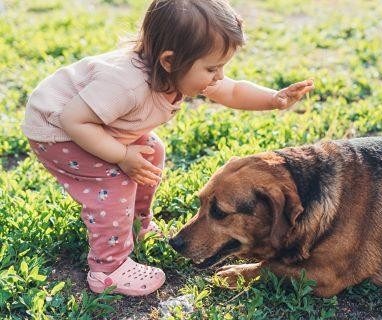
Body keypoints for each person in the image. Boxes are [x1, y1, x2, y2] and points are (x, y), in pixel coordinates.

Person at [21, 0, 314, 297]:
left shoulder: (181, 70)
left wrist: (273, 99)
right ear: (169, 61)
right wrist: (121, 156)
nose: (220, 76)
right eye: (213, 68)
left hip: (99, 124)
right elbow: (73, 119)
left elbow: (232, 90)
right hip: (60, 132)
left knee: (151, 151)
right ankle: (108, 268)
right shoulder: (127, 84)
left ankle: (135, 223)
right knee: (114, 181)